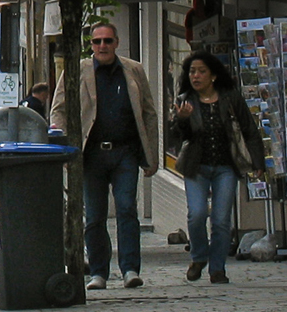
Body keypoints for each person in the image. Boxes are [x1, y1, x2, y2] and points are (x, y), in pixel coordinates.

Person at [50, 22, 157, 291]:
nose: (102, 46)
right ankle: (98, 272)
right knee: (95, 215)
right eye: (97, 42)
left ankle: (130, 269)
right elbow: (59, 108)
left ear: (116, 42)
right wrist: (62, 142)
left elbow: (148, 113)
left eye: (107, 41)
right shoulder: (79, 71)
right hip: (92, 153)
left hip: (125, 152)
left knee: (126, 209)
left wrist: (151, 155)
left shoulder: (133, 70)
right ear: (91, 45)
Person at [169, 51, 265, 283]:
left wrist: (258, 162)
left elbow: (249, 130)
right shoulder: (185, 99)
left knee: (221, 220)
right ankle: (199, 257)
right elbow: (177, 138)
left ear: (213, 75)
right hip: (196, 166)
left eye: (201, 71)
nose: (196, 76)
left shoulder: (230, 98)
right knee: (197, 214)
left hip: (225, 166)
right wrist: (181, 119)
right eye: (192, 71)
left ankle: (217, 268)